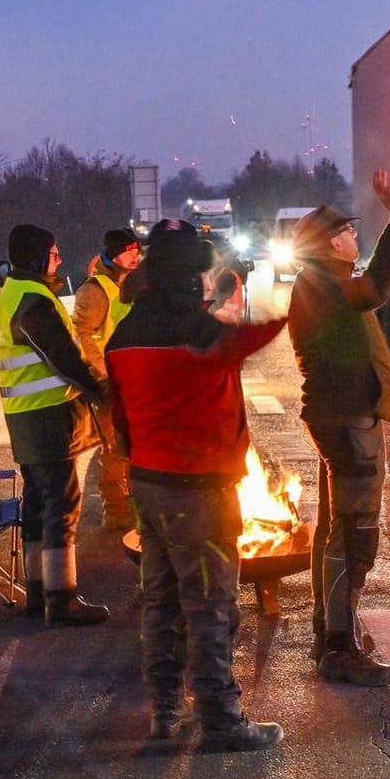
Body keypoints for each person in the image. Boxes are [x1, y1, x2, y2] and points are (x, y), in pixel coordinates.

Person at [107, 220, 287, 751]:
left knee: (161, 602)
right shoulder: (201, 333)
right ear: (189, 274)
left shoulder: (123, 335)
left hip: (149, 485)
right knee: (211, 607)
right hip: (201, 490)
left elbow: (120, 418)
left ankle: (166, 711)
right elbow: (262, 331)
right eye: (204, 272)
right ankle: (221, 718)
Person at [288, 170, 390, 687]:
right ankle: (340, 646)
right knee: (355, 532)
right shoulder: (328, 285)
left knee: (339, 526)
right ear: (330, 243)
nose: (355, 237)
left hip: (341, 417)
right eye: (350, 232)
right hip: (347, 421)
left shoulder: (321, 282)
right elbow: (377, 288)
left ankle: (330, 631)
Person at [0, 224, 110, 625]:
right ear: (36, 256)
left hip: (27, 416)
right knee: (62, 503)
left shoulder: (16, 292)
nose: (58, 258)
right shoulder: (32, 300)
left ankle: (38, 593)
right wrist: (99, 392)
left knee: (39, 503)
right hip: (46, 419)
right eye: (53, 251)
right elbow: (61, 357)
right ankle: (62, 600)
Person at [72, 228, 141, 530]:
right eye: (128, 250)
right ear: (113, 255)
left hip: (133, 380)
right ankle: (115, 512)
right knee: (114, 449)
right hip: (110, 383)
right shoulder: (96, 289)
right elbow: (83, 335)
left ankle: (133, 507)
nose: (135, 255)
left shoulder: (131, 283)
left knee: (133, 447)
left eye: (137, 249)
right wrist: (104, 372)